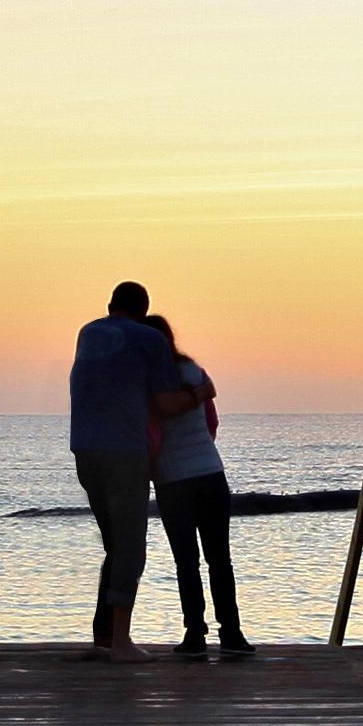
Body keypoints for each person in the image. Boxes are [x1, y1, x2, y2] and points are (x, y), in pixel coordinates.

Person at [64, 283, 182, 659]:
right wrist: (199, 394)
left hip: (84, 447)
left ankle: (103, 635)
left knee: (114, 544)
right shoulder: (149, 338)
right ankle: (120, 642)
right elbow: (165, 400)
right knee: (131, 546)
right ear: (144, 310)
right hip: (124, 450)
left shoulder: (88, 332)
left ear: (109, 306)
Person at [152, 339, 249, 660]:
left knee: (186, 561)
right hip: (210, 471)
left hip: (173, 477)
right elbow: (212, 422)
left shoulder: (148, 379)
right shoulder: (195, 372)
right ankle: (232, 632)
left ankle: (195, 633)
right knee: (220, 559)